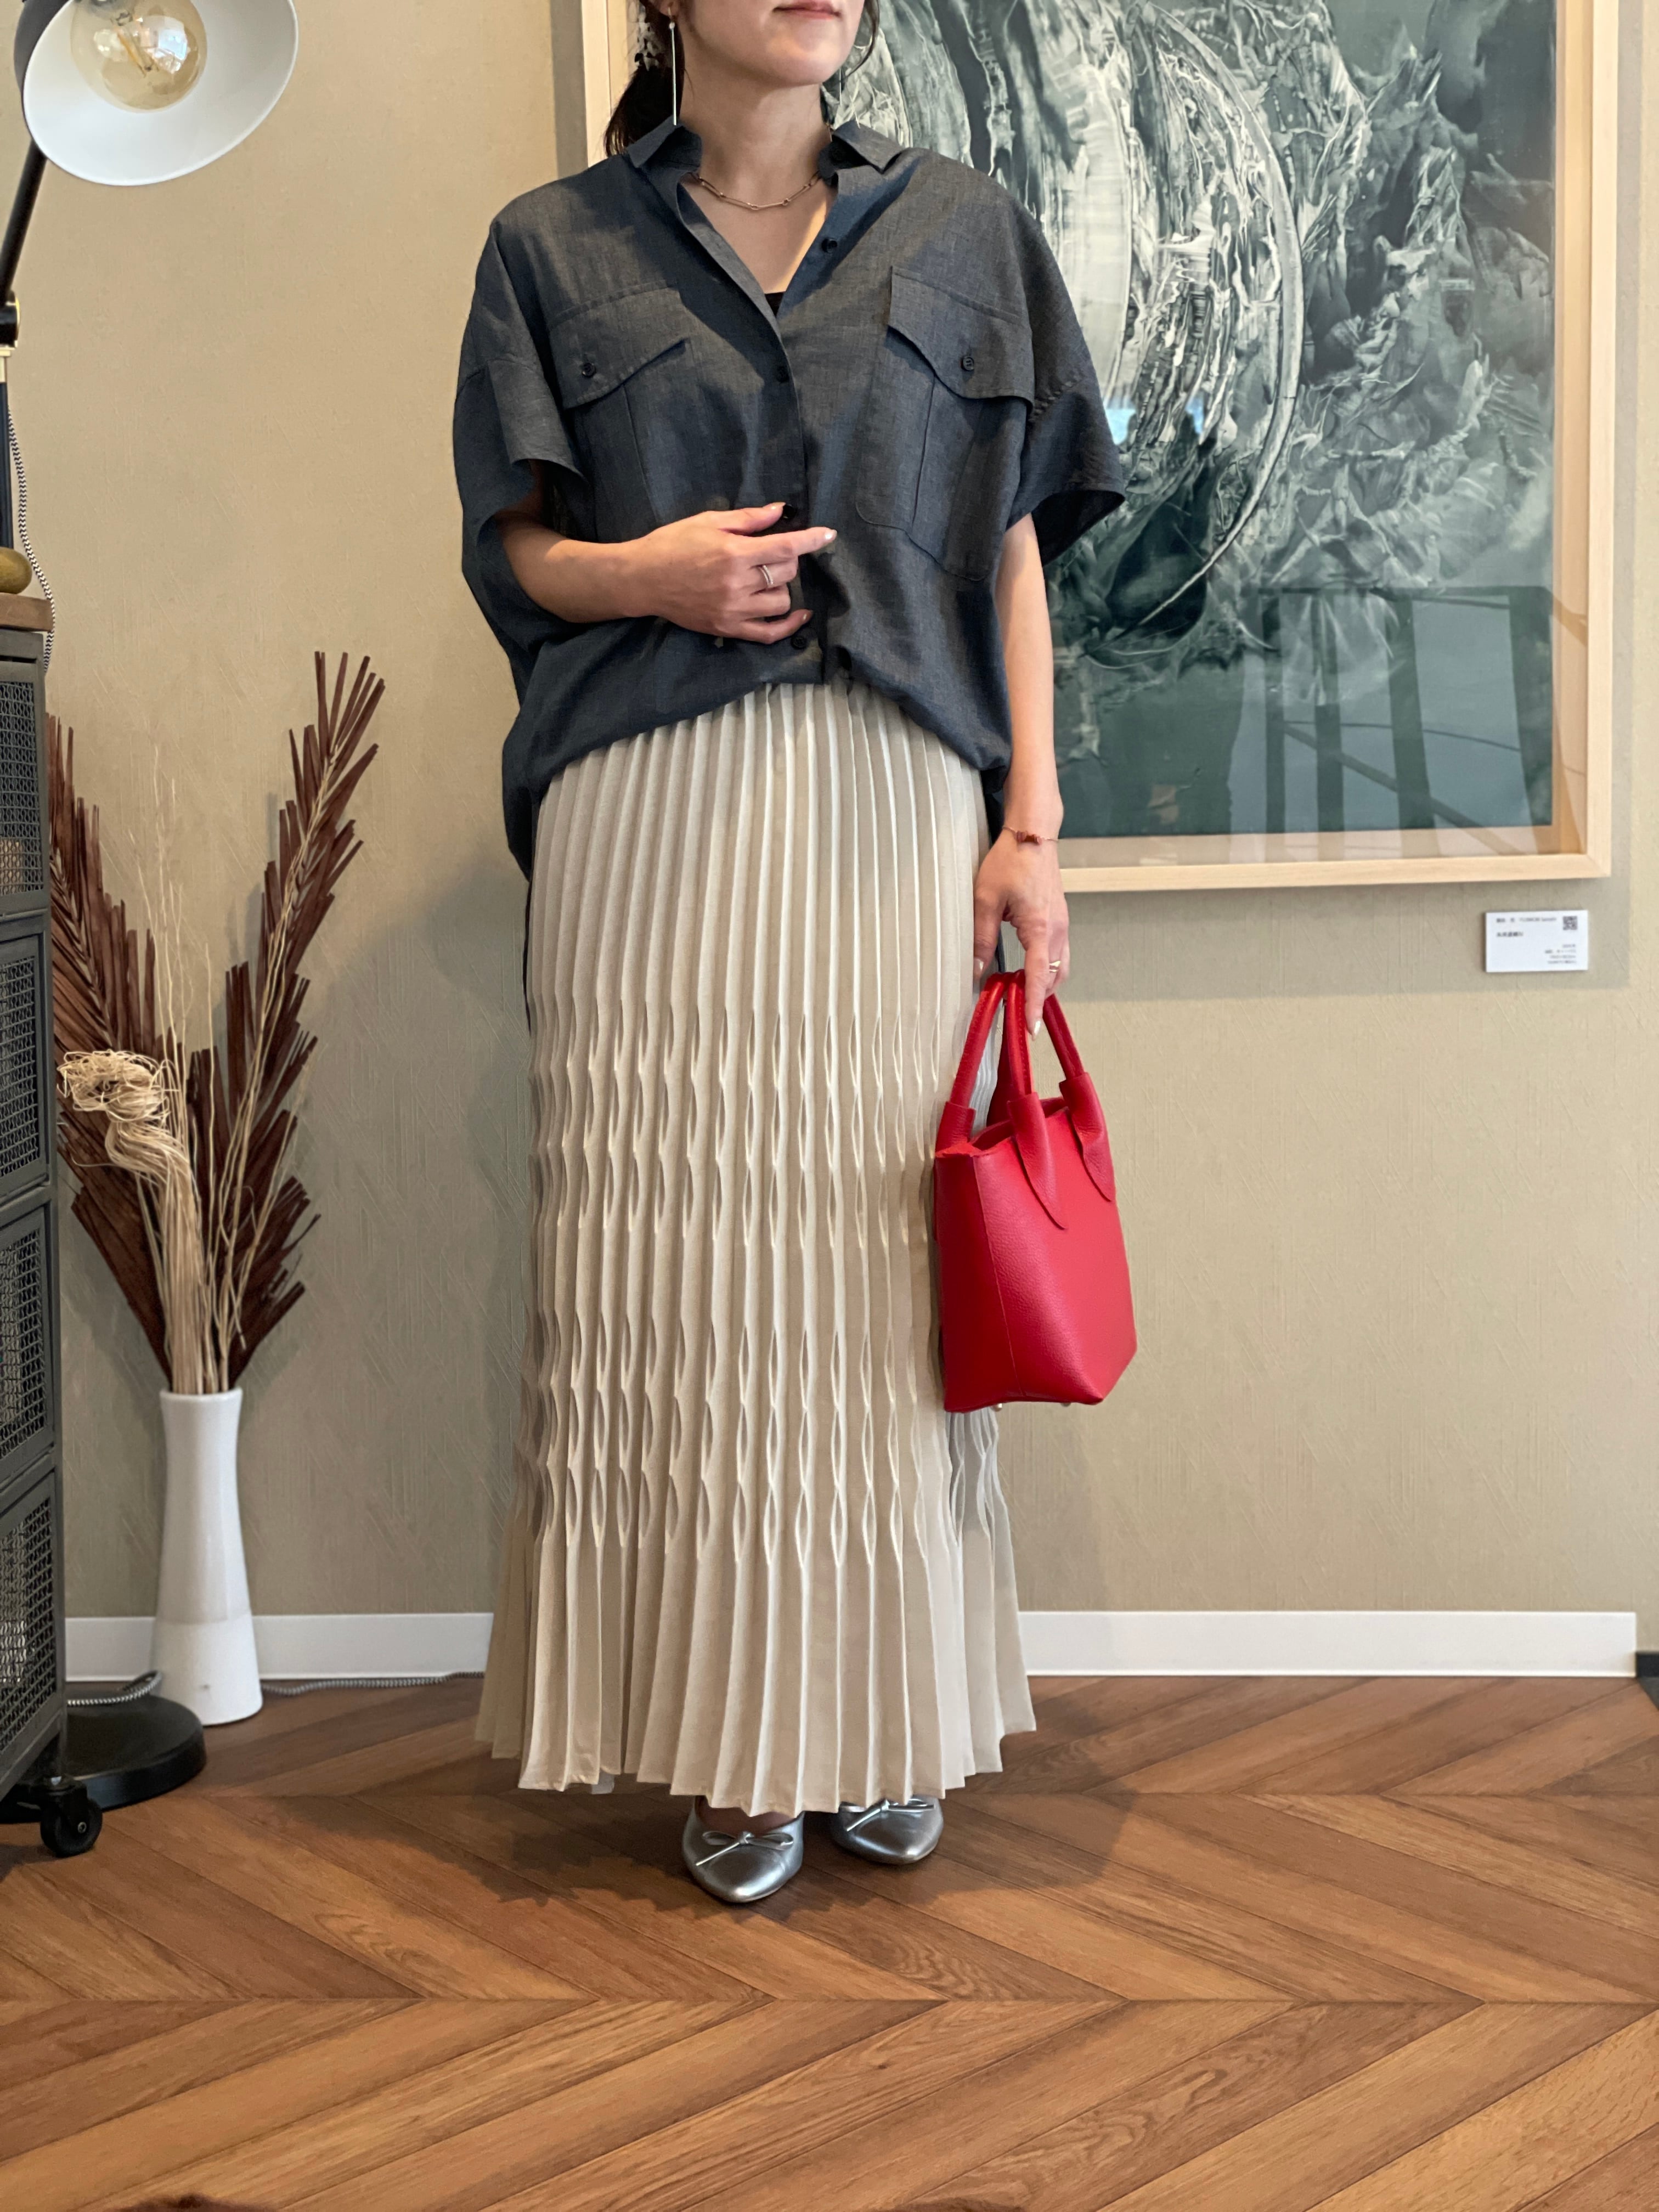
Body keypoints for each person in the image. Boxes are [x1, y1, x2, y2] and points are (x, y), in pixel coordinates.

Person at [453, 0, 1124, 1905]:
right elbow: (514, 547)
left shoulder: (963, 228)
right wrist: (646, 572)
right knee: (667, 1285)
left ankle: (884, 1714)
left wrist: (1032, 829)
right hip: (644, 810)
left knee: (875, 1284)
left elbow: (1013, 550)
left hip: (889, 809)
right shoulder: (551, 245)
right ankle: (727, 1751)